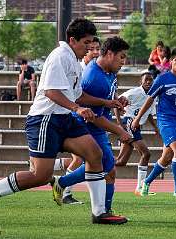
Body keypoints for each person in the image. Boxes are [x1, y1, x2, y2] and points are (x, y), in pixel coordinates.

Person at [0, 18, 128, 225]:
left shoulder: (75, 60)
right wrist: (77, 108)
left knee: (95, 154)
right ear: (72, 40)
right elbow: (51, 92)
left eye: (92, 42)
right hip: (45, 120)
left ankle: (100, 213)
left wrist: (105, 103)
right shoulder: (60, 56)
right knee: (40, 175)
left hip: (63, 118)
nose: (90, 47)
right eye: (86, 42)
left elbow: (78, 95)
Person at [53, 36, 132, 214]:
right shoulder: (93, 77)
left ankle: (63, 184)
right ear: (110, 54)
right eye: (122, 57)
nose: (123, 61)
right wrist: (120, 131)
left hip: (97, 125)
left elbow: (105, 98)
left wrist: (116, 100)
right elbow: (93, 116)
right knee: (106, 167)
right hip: (87, 125)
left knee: (107, 168)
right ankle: (103, 212)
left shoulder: (109, 71)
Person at [131, 48, 176, 197]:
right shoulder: (162, 79)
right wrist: (137, 119)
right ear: (171, 62)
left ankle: (146, 183)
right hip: (165, 120)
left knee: (167, 158)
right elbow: (149, 100)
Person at [61, 37, 101, 205]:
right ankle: (63, 188)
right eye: (92, 49)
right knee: (84, 159)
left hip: (86, 117)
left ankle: (64, 187)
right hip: (77, 117)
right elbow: (78, 97)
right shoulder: (82, 69)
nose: (95, 52)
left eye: (98, 49)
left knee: (85, 159)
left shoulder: (97, 69)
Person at [114, 69, 159, 196]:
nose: (149, 82)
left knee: (121, 162)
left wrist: (155, 127)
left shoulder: (152, 95)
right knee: (146, 154)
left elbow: (148, 113)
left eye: (151, 80)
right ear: (141, 82)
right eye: (146, 80)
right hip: (130, 123)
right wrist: (119, 123)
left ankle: (94, 163)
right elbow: (117, 104)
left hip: (136, 126)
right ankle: (140, 187)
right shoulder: (133, 93)